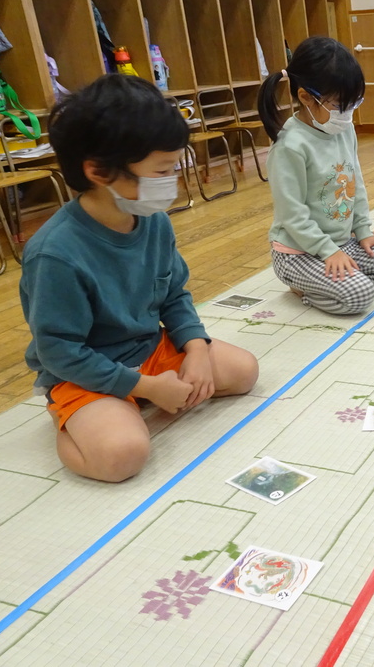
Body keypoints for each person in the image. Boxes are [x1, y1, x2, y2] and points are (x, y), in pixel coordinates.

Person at [20, 74, 259, 483]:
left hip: (151, 350)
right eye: (161, 172)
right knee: (121, 457)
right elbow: (60, 351)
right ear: (98, 171)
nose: (171, 182)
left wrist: (197, 350)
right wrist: (145, 388)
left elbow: (174, 296)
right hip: (85, 371)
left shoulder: (152, 221)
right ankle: (73, 420)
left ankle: (124, 407)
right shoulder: (55, 253)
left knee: (243, 371)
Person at [257, 36, 374, 315]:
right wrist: (327, 251)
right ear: (306, 96)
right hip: (299, 253)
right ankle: (304, 288)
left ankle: (340, 280)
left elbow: (356, 184)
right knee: (360, 296)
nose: (348, 114)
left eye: (354, 103)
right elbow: (292, 215)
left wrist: (364, 233)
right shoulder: (289, 146)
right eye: (340, 104)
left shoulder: (343, 129)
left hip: (343, 244)